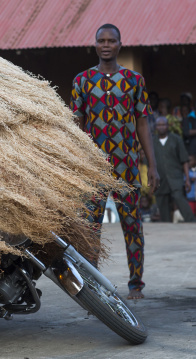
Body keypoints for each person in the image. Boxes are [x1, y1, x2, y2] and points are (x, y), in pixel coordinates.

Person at [70, 23, 160, 300]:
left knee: (132, 225)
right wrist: (74, 165)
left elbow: (142, 123)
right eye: (102, 40)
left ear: (120, 45)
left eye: (111, 41)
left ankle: (136, 284)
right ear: (95, 45)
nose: (106, 45)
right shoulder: (82, 81)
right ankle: (92, 286)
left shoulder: (134, 81)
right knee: (90, 229)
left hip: (128, 166)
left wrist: (152, 165)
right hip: (93, 167)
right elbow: (76, 125)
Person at [153, 117, 196, 223]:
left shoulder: (176, 139)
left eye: (164, 125)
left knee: (179, 198)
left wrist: (186, 179)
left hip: (175, 177)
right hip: (160, 178)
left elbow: (184, 160)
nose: (161, 127)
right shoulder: (152, 141)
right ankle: (166, 225)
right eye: (159, 125)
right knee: (162, 202)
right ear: (156, 127)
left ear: (168, 126)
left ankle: (191, 221)